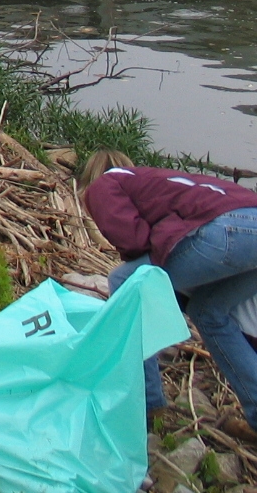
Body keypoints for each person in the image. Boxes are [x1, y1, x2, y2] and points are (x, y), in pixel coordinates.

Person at [82, 150, 257, 443]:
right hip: (245, 224)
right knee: (209, 312)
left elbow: (132, 240)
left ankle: (150, 405)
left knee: (125, 280)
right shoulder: (168, 181)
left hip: (230, 232)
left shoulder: (105, 183)